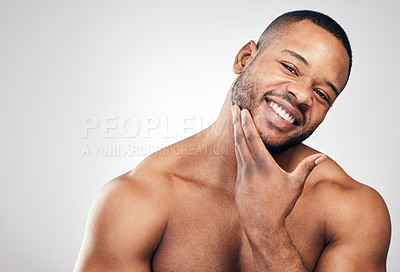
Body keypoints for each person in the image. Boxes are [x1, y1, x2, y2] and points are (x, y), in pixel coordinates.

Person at [74, 10, 391, 271]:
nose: (302, 95)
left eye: (322, 94)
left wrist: (267, 229)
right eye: (290, 67)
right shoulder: (137, 200)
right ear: (245, 58)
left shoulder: (354, 210)